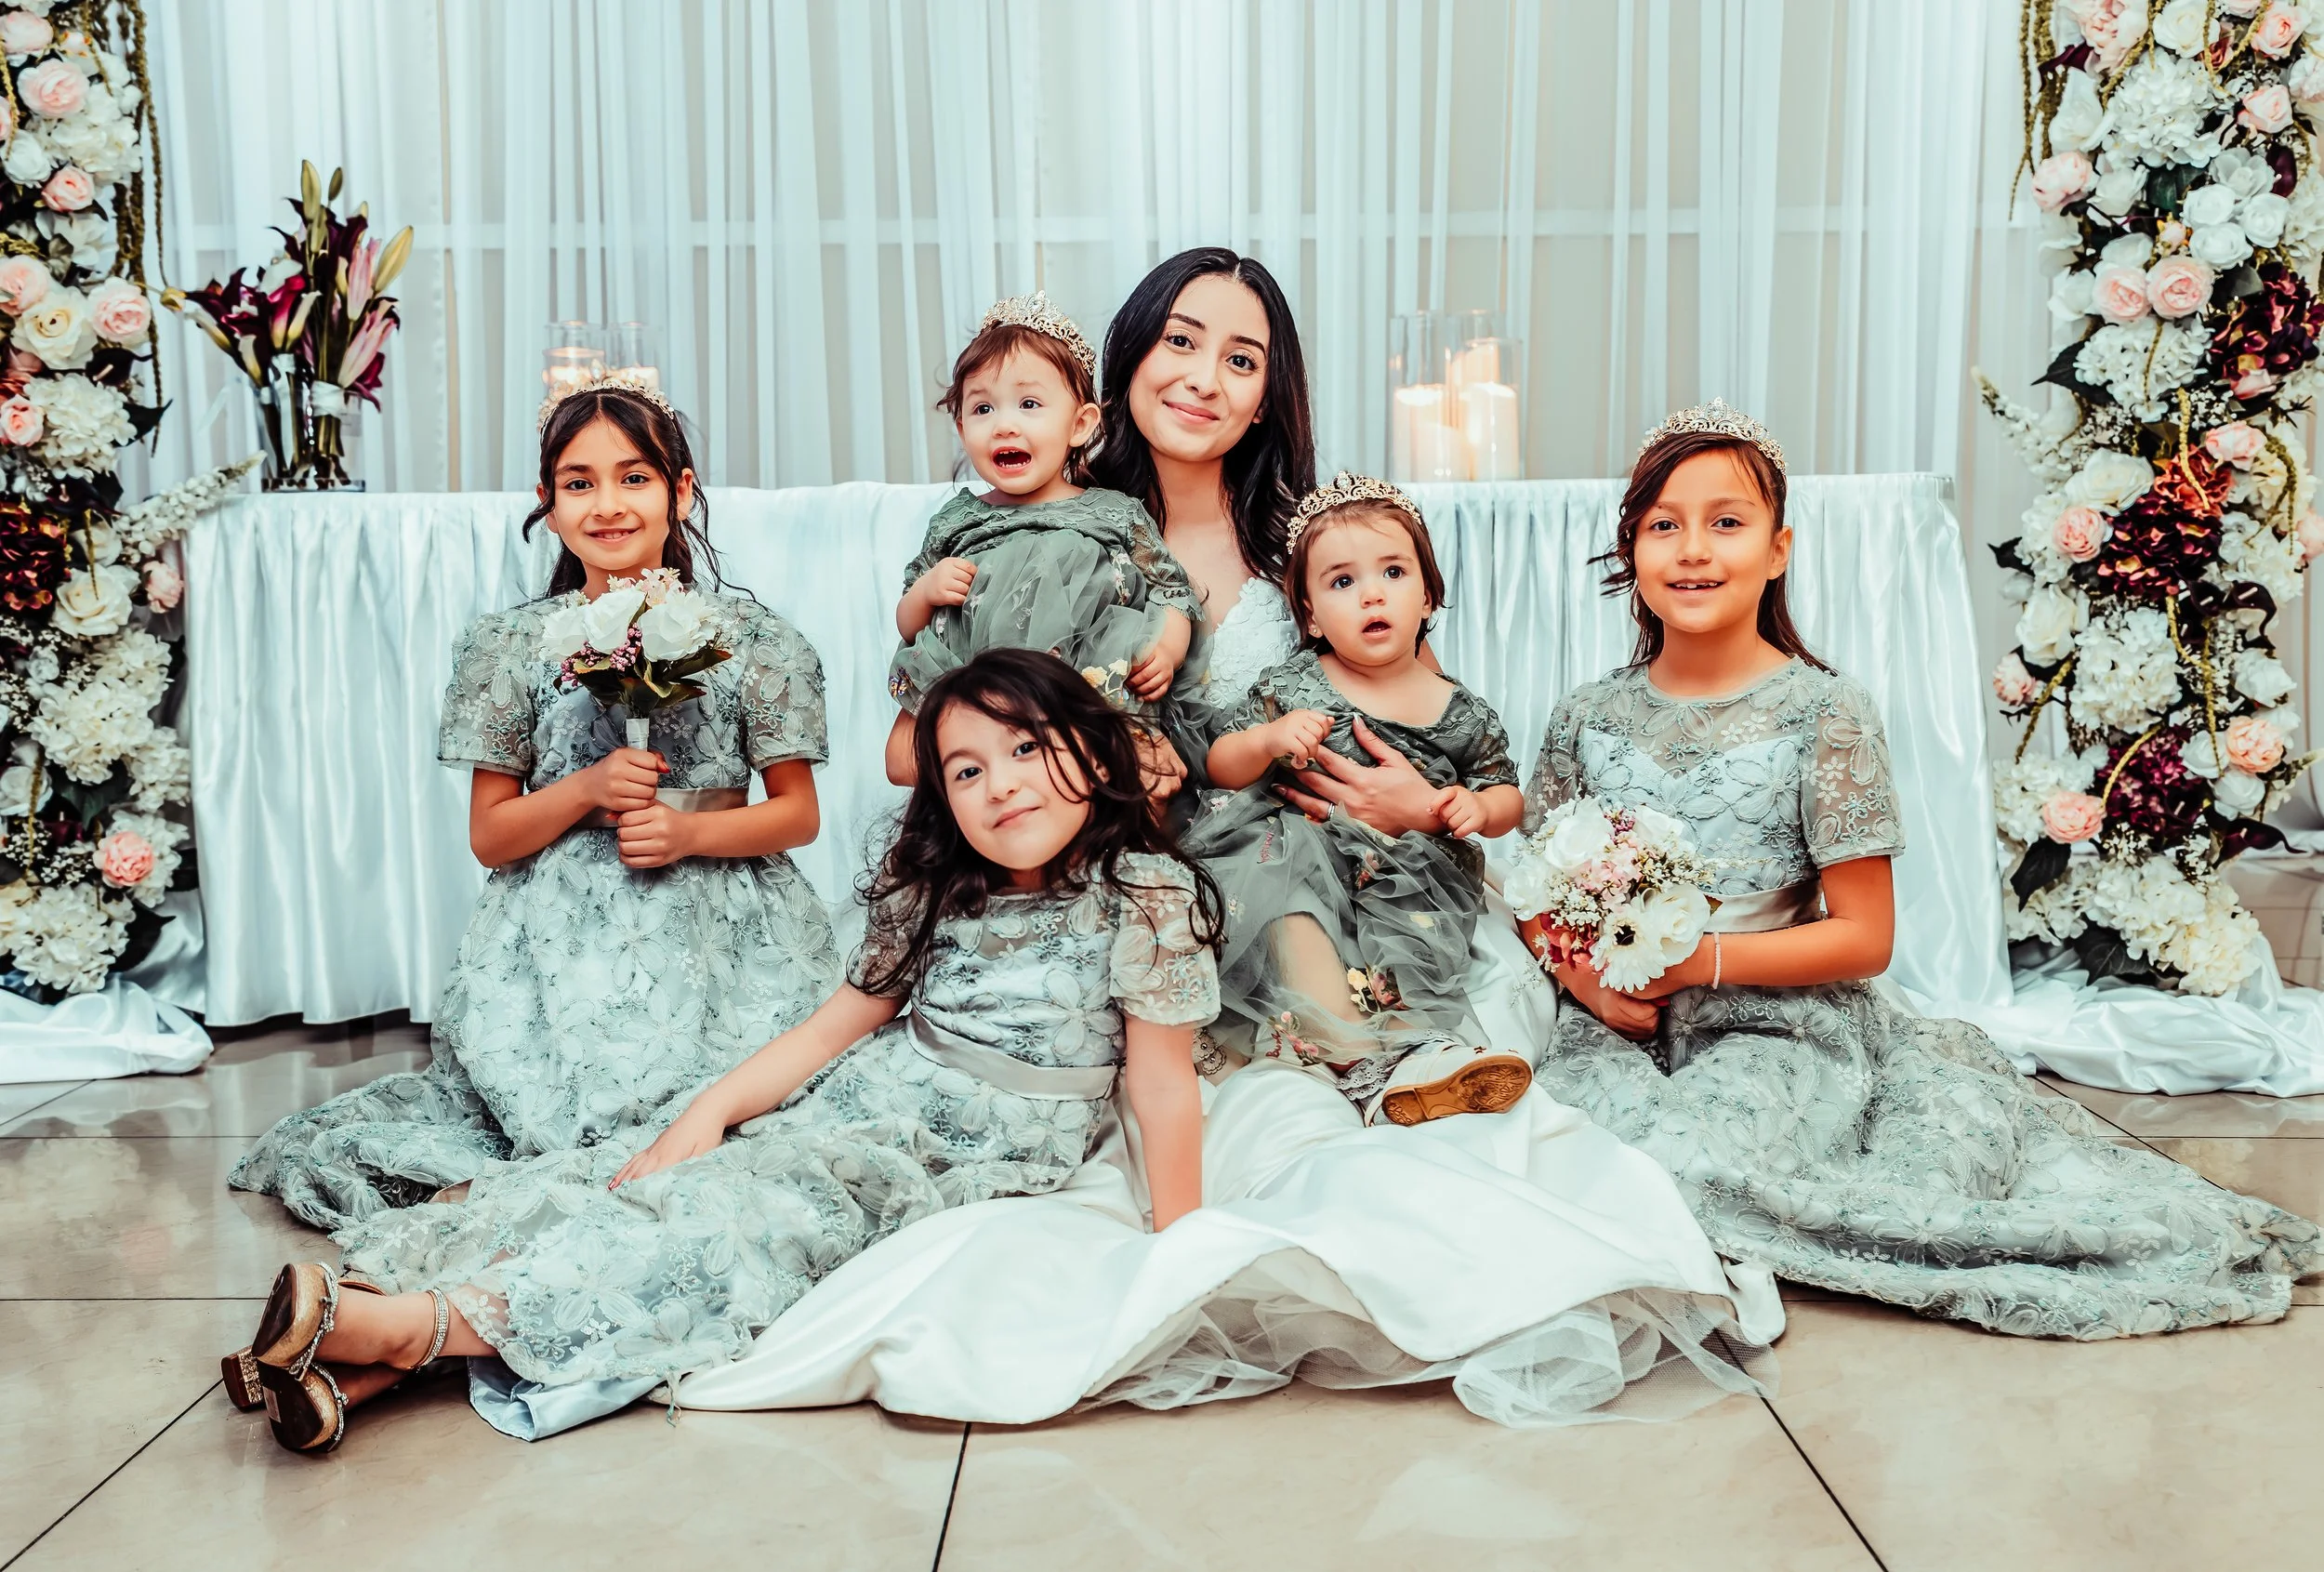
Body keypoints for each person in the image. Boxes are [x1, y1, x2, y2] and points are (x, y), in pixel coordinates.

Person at [231, 649, 1220, 1454]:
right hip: (867, 1092)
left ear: (1094, 756)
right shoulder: (937, 888)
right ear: (942, 796)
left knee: (740, 1224)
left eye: (1026, 749)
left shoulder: (1141, 896)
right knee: (642, 1175)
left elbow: (1161, 1084)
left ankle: (405, 1330)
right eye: (966, 769)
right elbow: (840, 1024)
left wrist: (1181, 1249)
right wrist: (707, 1110)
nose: (999, 785)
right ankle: (359, 1353)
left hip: (973, 1145)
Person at [1525, 400, 2321, 1338]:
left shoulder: (1824, 712)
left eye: (1725, 521)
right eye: (1664, 524)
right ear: (1632, 549)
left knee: (1680, 1169)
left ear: (1777, 549)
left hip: (1776, 1022)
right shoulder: (1586, 714)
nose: (1692, 548)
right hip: (1615, 1025)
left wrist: (1696, 961)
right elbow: (1543, 893)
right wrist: (1583, 972)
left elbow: (1865, 937)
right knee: (1555, 1160)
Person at [228, 371, 839, 1249]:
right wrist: (587, 789)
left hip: (727, 927)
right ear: (547, 502)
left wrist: (690, 829)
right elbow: (492, 835)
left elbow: (796, 813)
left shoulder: (755, 638)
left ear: (681, 490)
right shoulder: (511, 645)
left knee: (734, 1121)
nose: (608, 504)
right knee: (584, 1121)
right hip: (560, 937)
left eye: (634, 477)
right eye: (578, 483)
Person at [1187, 474, 1533, 1122]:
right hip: (1298, 847)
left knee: (1410, 942)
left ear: (1427, 595)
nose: (1372, 593)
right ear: (1311, 613)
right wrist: (1267, 738)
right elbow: (1218, 762)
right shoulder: (1294, 681)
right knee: (1290, 910)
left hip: (1407, 866)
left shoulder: (1457, 707)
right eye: (1342, 581)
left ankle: (1415, 1053)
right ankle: (1349, 1055)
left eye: (1394, 572)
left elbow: (1505, 789)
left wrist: (1476, 808)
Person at [884, 291, 1198, 784]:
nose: (1004, 425)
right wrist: (926, 592)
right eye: (983, 409)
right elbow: (907, 621)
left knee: (1139, 770)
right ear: (962, 426)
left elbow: (1173, 589)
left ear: (1080, 424)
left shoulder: (1113, 512)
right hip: (973, 679)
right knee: (903, 762)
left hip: (1084, 683)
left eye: (1029, 404)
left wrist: (1169, 648)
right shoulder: (957, 520)